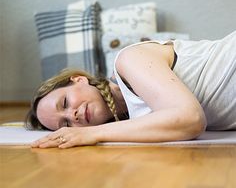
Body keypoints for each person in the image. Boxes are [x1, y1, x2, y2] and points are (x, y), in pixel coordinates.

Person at [27, 31, 236, 149]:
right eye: (66, 124)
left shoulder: (128, 60)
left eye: (64, 103)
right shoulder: (133, 124)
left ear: (79, 80)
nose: (73, 116)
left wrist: (92, 134)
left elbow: (190, 119)